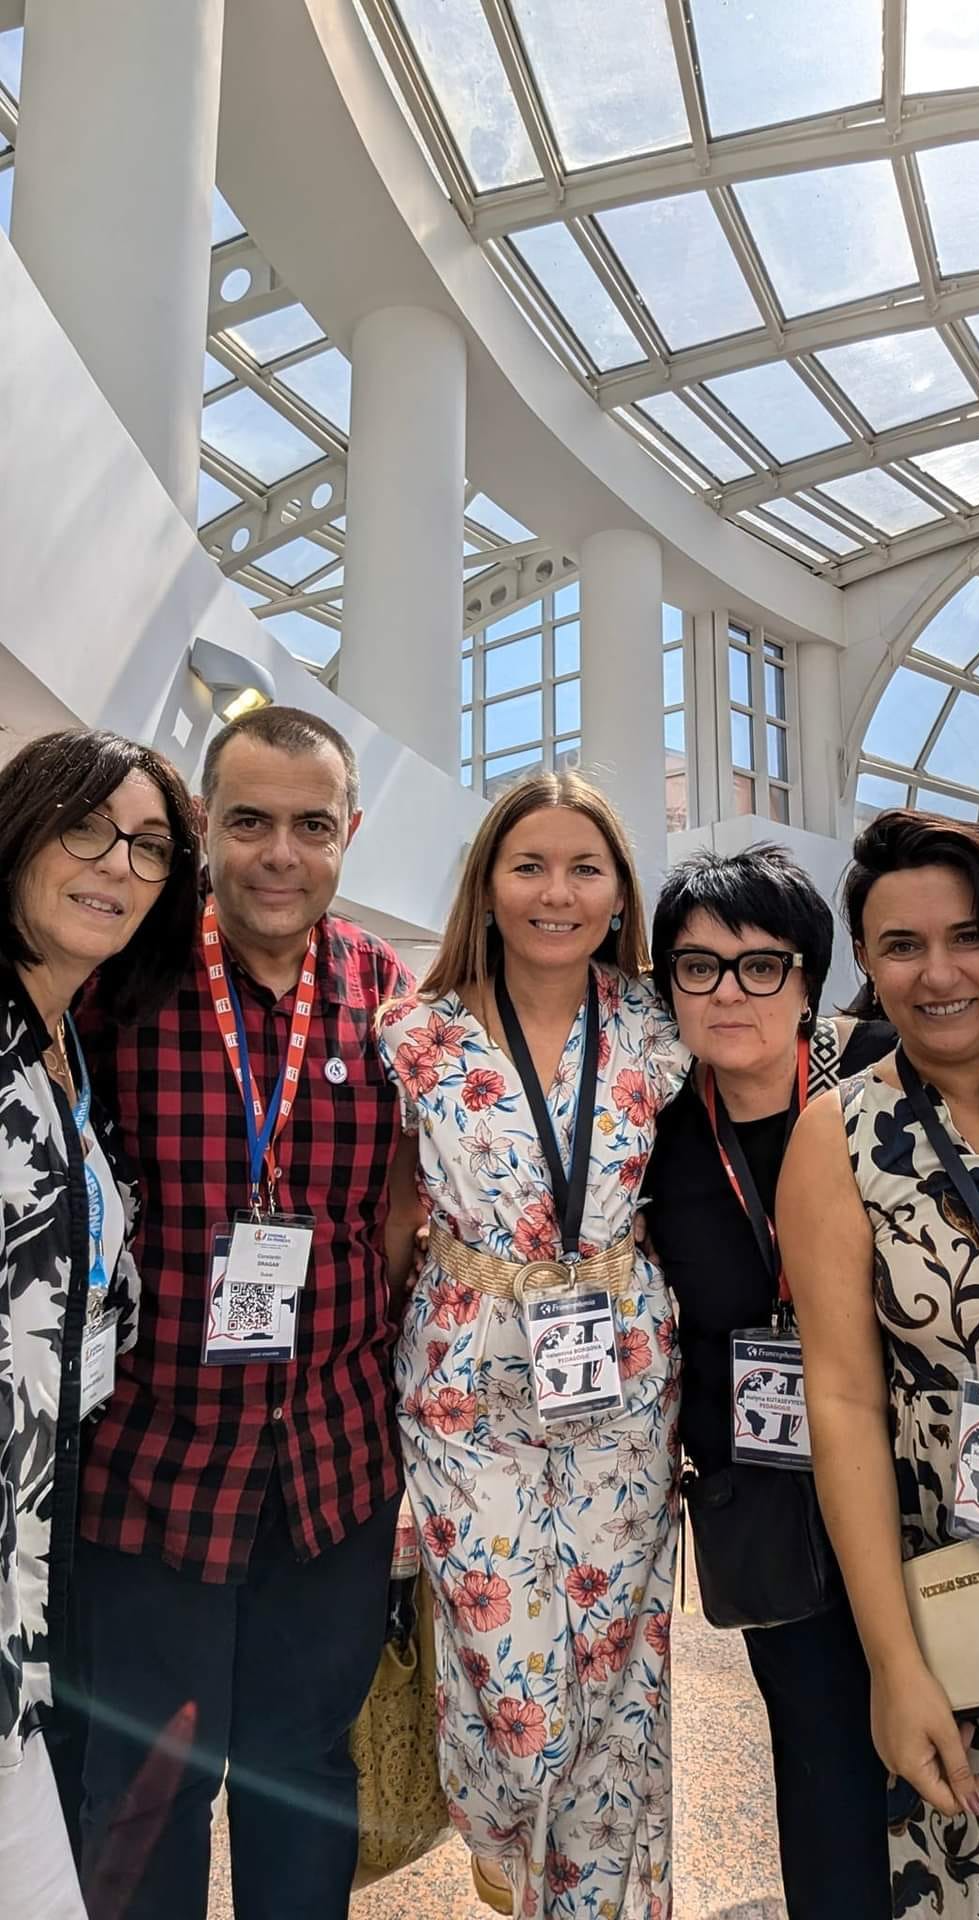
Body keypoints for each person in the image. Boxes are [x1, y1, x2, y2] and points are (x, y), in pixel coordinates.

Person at [72, 706, 421, 1920]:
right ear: (204, 828)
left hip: (332, 1473)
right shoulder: (125, 980)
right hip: (153, 1466)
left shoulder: (386, 994)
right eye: (250, 822)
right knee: (144, 1790)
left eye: (311, 826)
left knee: (303, 1773)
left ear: (349, 834)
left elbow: (401, 1211)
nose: (281, 854)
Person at [377, 769, 690, 1920]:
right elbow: (391, 1218)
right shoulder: (416, 1035)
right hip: (465, 1378)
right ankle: (506, 1835)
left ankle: (596, 1903)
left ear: (619, 893)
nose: (557, 893)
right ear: (489, 884)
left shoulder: (658, 1025)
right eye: (530, 866)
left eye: (584, 869)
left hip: (621, 1371)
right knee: (511, 1682)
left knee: (617, 1671)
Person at [777, 808, 979, 1917]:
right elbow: (845, 1401)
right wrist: (895, 1665)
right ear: (867, 960)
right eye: (902, 946)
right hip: (975, 1594)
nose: (939, 975)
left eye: (970, 938)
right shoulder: (838, 1135)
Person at [643, 847, 893, 1919]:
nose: (729, 993)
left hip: (912, 1475)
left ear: (809, 978)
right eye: (698, 968)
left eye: (761, 965)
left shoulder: (882, 1078)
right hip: (767, 1492)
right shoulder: (653, 1132)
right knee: (820, 1752)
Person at [0, 727, 199, 1919]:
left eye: (149, 846)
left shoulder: (67, 1037)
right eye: (86, 828)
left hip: (44, 1536)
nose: (117, 864)